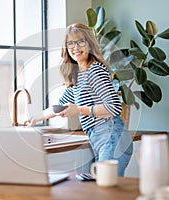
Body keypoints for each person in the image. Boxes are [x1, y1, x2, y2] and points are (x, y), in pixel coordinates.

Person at [24, 23, 133, 176]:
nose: (75, 47)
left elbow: (114, 107)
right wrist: (35, 118)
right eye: (70, 43)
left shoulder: (95, 70)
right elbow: (60, 106)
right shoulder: (78, 75)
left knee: (107, 192)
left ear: (89, 44)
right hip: (102, 137)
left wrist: (79, 110)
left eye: (80, 41)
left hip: (111, 135)